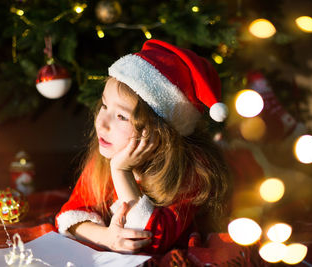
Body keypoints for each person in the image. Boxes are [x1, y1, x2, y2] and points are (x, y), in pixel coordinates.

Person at [55, 39, 230, 255]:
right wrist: (107, 237)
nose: (102, 122)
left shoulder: (191, 171)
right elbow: (72, 214)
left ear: (160, 132)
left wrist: (121, 171)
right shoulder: (105, 156)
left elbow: (150, 239)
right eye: (104, 105)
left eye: (121, 116)